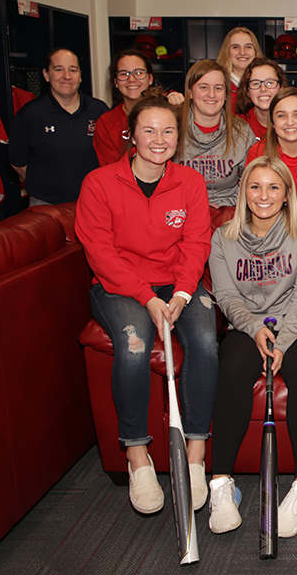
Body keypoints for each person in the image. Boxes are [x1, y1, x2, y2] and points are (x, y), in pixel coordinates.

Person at [75, 90, 217, 517]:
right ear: (131, 136)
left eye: (169, 130)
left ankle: (195, 455)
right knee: (134, 345)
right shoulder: (99, 182)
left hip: (178, 286)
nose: (160, 138)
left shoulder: (189, 182)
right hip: (119, 287)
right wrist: (146, 299)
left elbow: (196, 244)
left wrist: (179, 294)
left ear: (179, 136)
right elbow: (100, 252)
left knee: (207, 343)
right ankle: (138, 457)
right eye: (149, 130)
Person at [206, 155, 297, 537]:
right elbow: (226, 296)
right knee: (233, 364)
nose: (263, 195)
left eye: (274, 186)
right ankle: (221, 484)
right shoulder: (223, 237)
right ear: (242, 192)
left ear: (288, 193)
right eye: (255, 186)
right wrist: (256, 329)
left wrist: (282, 343)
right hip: (248, 325)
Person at [10, 48, 109, 205]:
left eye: (73, 70)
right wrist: (45, 185)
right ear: (46, 75)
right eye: (58, 69)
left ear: (80, 75)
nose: (67, 76)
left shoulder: (99, 110)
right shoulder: (31, 113)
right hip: (45, 205)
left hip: (93, 202)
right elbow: (17, 160)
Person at [175, 60, 256, 207]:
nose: (211, 94)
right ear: (190, 92)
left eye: (218, 88)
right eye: (204, 87)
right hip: (182, 210)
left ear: (225, 94)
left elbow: (254, 181)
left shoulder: (241, 131)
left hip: (229, 210)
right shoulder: (172, 128)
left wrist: (226, 209)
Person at [94, 49, 184, 166]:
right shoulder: (106, 123)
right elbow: (111, 172)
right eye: (124, 74)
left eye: (139, 73)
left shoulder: (169, 110)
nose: (131, 79)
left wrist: (177, 101)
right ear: (116, 82)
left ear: (150, 79)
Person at [234, 57, 286, 140]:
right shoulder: (237, 125)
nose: (263, 89)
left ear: (281, 88)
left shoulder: (293, 122)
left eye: (269, 83)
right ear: (247, 91)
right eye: (255, 83)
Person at [216, 27, 263, 104]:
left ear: (255, 51)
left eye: (248, 47)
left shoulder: (267, 87)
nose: (242, 52)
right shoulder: (219, 87)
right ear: (227, 52)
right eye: (235, 47)